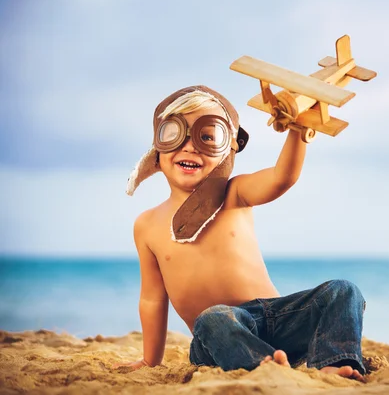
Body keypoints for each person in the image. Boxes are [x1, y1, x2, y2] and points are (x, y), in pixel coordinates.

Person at [114, 85, 366, 381]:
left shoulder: (234, 194)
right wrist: (150, 359)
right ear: (158, 151)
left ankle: (334, 362)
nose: (190, 146)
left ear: (227, 150)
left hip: (276, 320)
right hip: (219, 338)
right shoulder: (147, 224)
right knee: (213, 318)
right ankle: (265, 367)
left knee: (344, 290)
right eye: (175, 135)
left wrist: (297, 130)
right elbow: (153, 300)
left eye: (207, 137)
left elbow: (281, 178)